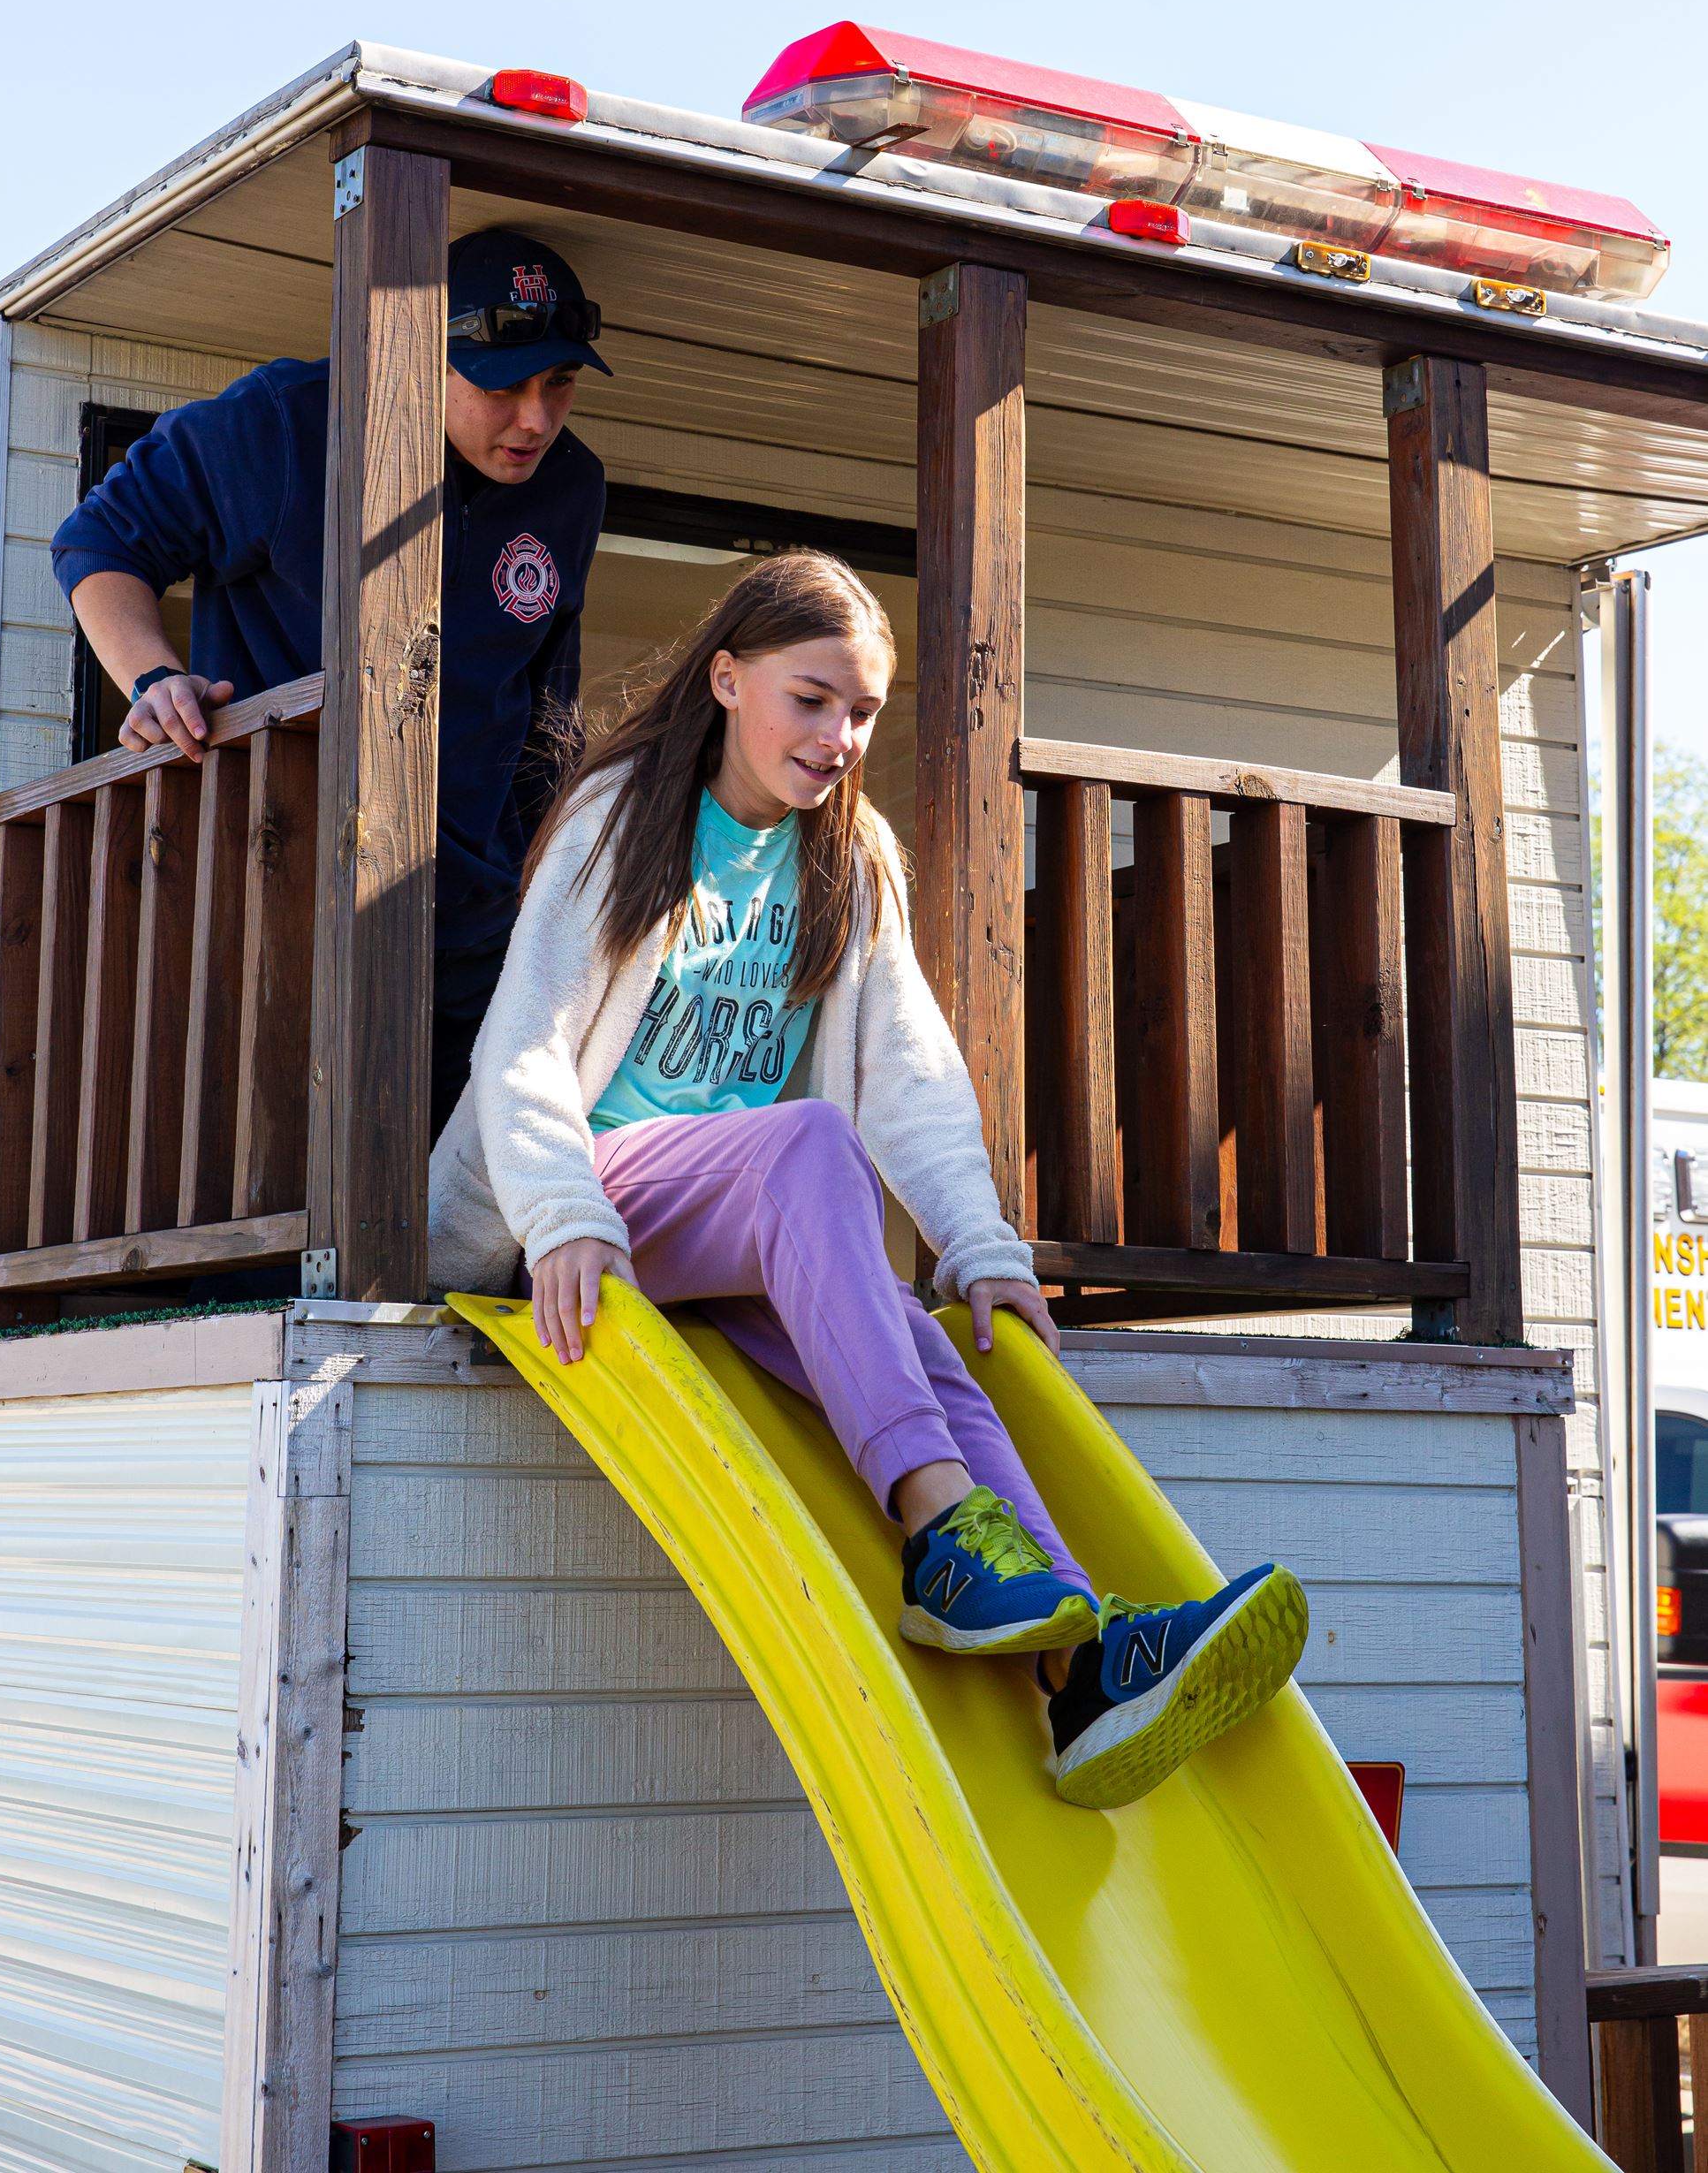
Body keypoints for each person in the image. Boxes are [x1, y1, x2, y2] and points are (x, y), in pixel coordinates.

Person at [429, 551, 1308, 1808]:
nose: (839, 736)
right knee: (804, 1139)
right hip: (598, 1212)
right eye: (811, 698)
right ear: (728, 680)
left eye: (863, 713)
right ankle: (943, 1535)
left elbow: (910, 1076)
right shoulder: (623, 817)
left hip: (754, 1222)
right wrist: (561, 1215)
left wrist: (980, 1246)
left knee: (921, 1342)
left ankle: (1081, 1671)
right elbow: (522, 1042)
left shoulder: (853, 855)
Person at [53, 227, 609, 1140]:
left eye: (558, 384)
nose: (535, 420)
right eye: (502, 385)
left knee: (455, 1203)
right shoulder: (286, 421)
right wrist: (152, 678)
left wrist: (548, 883)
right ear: (419, 351)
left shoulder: (572, 487)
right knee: (290, 1172)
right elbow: (101, 540)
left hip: (470, 922)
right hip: (277, 893)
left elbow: (548, 709)